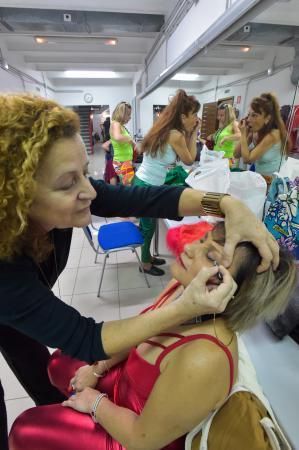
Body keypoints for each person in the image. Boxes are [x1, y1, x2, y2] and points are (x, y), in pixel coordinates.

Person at [0, 93, 279, 450]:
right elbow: (85, 338)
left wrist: (227, 202)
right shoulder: (4, 274)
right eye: (69, 183)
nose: (91, 191)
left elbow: (151, 198)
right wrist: (181, 309)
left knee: (47, 377)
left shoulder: (205, 352)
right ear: (17, 198)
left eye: (85, 173)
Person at [9, 222, 296, 450]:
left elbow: (142, 440)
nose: (191, 248)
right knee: (58, 363)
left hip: (139, 432)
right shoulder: (182, 288)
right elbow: (141, 328)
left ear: (233, 292)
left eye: (211, 256)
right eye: (202, 239)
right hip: (127, 385)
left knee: (25, 429)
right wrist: (99, 367)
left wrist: (94, 403)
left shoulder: (204, 356)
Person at [133, 89, 200, 276]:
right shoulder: (176, 135)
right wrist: (194, 134)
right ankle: (145, 264)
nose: (196, 118)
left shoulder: (164, 129)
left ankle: (148, 257)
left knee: (149, 225)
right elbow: (189, 159)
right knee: (148, 227)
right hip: (147, 186)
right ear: (183, 116)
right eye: (194, 114)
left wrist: (190, 132)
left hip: (144, 182)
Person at [234, 93, 292, 183]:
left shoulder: (274, 135)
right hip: (262, 180)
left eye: (254, 115)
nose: (248, 119)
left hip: (275, 183)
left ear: (267, 118)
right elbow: (236, 154)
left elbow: (247, 159)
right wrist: (245, 135)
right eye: (249, 115)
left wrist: (243, 133)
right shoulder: (256, 132)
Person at [110, 101, 135, 185]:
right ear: (122, 113)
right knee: (128, 187)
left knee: (127, 185)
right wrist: (130, 139)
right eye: (128, 114)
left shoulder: (120, 126)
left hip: (125, 161)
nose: (130, 117)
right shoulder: (115, 123)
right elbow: (117, 137)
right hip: (122, 161)